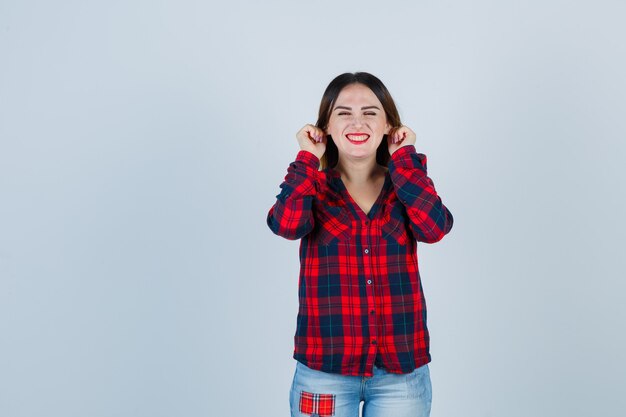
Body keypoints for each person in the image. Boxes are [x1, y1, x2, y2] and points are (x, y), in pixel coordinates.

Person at [267, 72, 453, 417]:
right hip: (324, 373)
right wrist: (308, 156)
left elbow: (434, 228)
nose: (357, 121)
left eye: (370, 112)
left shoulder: (405, 184)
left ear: (388, 125)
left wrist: (405, 158)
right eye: (343, 112)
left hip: (402, 376)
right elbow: (286, 224)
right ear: (324, 126)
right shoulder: (313, 186)